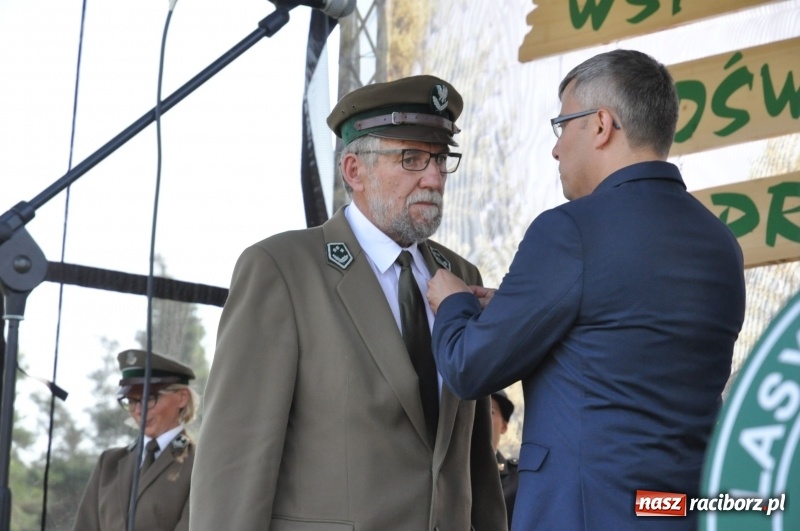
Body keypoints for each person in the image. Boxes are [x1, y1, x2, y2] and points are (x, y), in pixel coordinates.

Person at [426, 49, 746, 530]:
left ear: (600, 125)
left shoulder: (570, 232)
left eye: (562, 125)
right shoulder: (721, 243)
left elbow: (469, 369)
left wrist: (453, 304)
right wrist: (512, 309)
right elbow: (619, 341)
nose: (555, 149)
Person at [190, 75, 506, 531]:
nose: (434, 177)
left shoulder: (461, 280)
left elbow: (476, 464)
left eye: (440, 158)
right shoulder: (282, 269)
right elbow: (234, 465)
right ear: (355, 171)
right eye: (412, 158)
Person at [73, 349, 198, 531]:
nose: (138, 410)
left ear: (182, 398)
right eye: (131, 401)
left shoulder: (197, 464)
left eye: (149, 398)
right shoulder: (109, 464)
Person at [490, 390, 518, 528]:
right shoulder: (448, 474)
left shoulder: (518, 481)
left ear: (504, 426)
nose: (480, 418)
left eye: (490, 412)